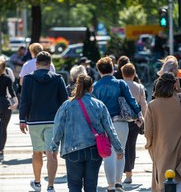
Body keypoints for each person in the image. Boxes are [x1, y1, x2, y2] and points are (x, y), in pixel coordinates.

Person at [52, 74, 124, 192]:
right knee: (91, 186)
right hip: (94, 149)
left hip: (72, 150)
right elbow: (110, 129)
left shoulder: (66, 105)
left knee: (74, 186)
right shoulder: (99, 105)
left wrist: (54, 147)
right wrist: (118, 148)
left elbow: (58, 128)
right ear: (91, 88)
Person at [92, 56, 144, 192]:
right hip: (121, 122)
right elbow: (131, 100)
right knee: (121, 152)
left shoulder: (95, 86)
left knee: (107, 154)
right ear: (113, 69)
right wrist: (139, 115)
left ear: (99, 70)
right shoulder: (121, 84)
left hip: (103, 125)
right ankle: (118, 182)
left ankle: (110, 185)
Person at [19, 51, 68, 192]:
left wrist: (22, 119)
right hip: (53, 120)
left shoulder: (28, 79)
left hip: (34, 120)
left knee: (37, 152)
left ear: (36, 64)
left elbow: (25, 100)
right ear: (50, 64)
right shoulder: (58, 79)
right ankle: (51, 185)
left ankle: (37, 182)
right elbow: (64, 102)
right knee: (52, 153)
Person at [144, 72, 181, 192]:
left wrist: (149, 144)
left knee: (162, 173)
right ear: (173, 85)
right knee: (177, 174)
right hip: (179, 143)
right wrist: (179, 90)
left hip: (160, 145)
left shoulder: (152, 105)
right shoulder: (179, 99)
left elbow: (148, 131)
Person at [121, 63, 147, 184]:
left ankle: (119, 172)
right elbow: (143, 105)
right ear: (134, 74)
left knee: (120, 146)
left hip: (120, 120)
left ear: (122, 73)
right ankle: (129, 174)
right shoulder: (139, 87)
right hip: (135, 121)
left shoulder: (119, 85)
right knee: (131, 146)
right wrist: (144, 119)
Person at [0, 56, 18, 161]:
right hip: (5, 104)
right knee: (4, 129)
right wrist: (16, 102)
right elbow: (11, 91)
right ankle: (2, 151)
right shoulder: (7, 78)